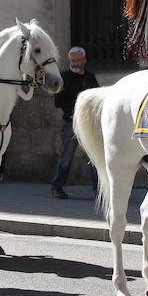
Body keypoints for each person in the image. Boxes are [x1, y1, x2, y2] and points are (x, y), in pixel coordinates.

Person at [50, 46, 100, 199]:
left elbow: (97, 96)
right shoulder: (64, 77)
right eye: (73, 61)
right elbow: (58, 101)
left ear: (84, 60)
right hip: (71, 123)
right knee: (66, 157)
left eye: (78, 60)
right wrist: (78, 103)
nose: (76, 63)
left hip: (88, 123)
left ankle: (100, 192)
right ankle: (57, 186)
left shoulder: (90, 77)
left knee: (95, 158)